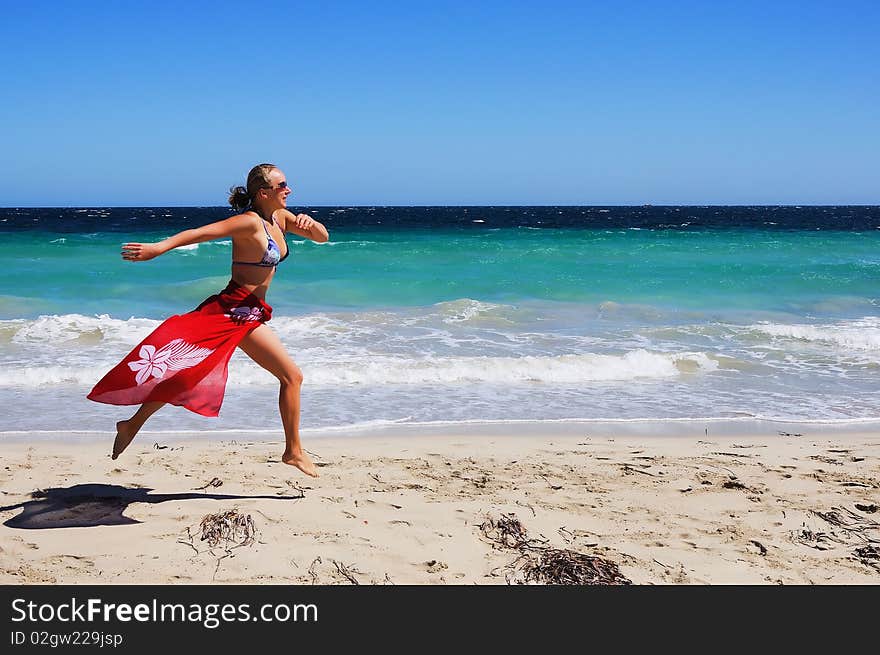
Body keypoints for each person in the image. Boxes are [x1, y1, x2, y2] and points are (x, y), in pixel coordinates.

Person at [87, 163, 328, 478]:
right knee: (291, 377)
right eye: (282, 185)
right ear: (263, 192)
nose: (289, 189)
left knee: (188, 374)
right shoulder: (248, 223)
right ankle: (293, 451)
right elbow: (199, 233)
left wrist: (312, 223)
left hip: (251, 312)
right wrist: (158, 248)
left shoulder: (279, 218)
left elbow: (322, 238)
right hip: (233, 311)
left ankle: (131, 424)